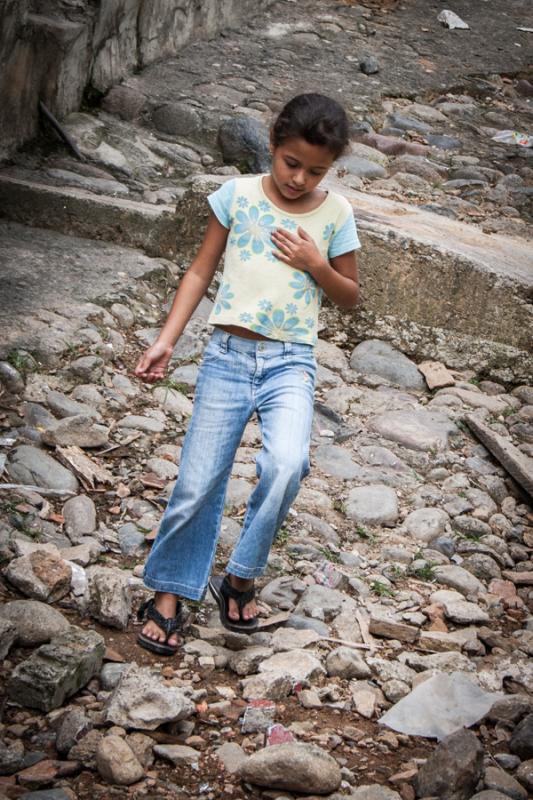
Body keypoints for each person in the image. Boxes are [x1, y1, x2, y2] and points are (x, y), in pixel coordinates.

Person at [135, 93, 360, 655]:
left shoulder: (336, 214)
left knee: (288, 463)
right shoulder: (235, 197)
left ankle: (239, 575)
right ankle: (169, 591)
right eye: (291, 163)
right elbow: (198, 271)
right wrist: (167, 340)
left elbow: (350, 297)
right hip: (227, 356)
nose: (299, 178)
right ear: (273, 144)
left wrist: (316, 264)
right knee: (197, 481)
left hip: (292, 362)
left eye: (316, 171)